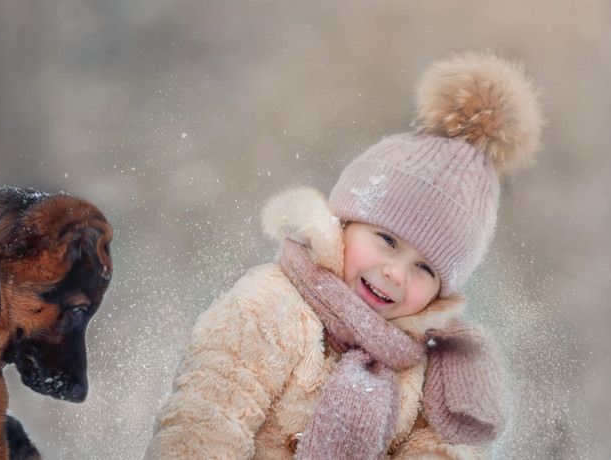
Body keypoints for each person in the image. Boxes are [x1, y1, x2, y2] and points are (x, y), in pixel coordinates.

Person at [145, 52, 543, 459]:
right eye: (387, 240)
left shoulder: (427, 372)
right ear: (345, 223)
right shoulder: (269, 308)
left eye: (424, 267)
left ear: (442, 292)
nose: (395, 273)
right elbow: (204, 423)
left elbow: (439, 451)